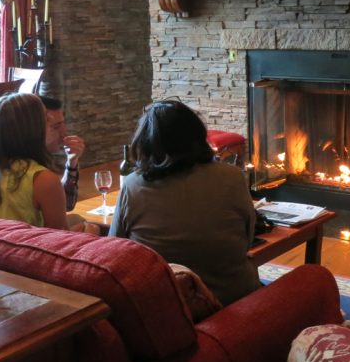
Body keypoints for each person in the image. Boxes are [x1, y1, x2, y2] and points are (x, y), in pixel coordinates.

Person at [110, 99, 260, 305]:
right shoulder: (232, 176)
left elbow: (115, 249)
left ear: (145, 142)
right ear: (197, 135)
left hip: (169, 304)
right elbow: (248, 240)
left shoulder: (132, 185)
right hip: (232, 297)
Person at [0, 92, 92, 231]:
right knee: (89, 227)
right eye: (53, 125)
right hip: (10, 250)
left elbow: (62, 205)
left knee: (77, 219)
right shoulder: (42, 179)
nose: (64, 132)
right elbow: (60, 243)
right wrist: (90, 233)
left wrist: (71, 164)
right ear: (34, 129)